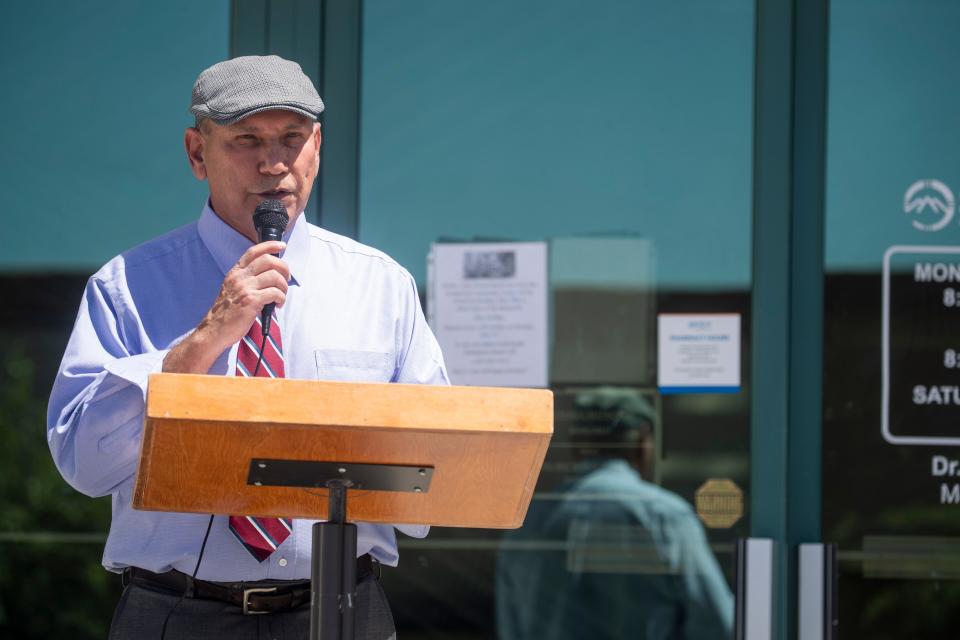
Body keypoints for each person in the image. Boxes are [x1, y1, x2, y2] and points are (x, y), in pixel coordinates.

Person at [47, 55, 448, 640]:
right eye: (246, 140)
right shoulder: (126, 287)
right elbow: (84, 465)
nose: (273, 162)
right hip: (178, 613)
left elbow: (432, 473)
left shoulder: (382, 286)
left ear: (318, 148)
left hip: (343, 610)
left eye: (292, 137)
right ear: (195, 152)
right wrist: (204, 339)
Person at [496, 387, 733, 640]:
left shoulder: (528, 520)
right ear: (643, 440)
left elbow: (511, 626)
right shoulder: (664, 517)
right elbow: (716, 623)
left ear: (576, 445)